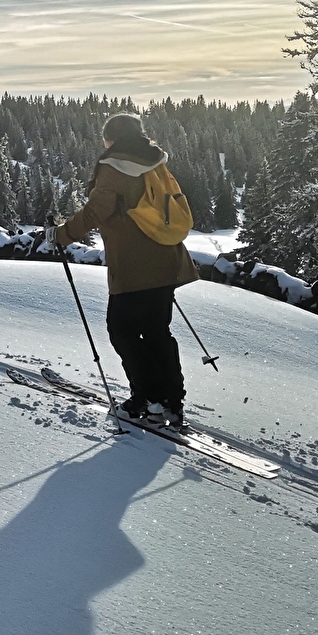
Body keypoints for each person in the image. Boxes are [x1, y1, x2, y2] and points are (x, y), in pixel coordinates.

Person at [47, 113, 198, 427]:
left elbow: (94, 212)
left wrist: (60, 235)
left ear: (112, 139)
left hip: (134, 266)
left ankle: (146, 399)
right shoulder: (154, 162)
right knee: (158, 333)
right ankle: (172, 402)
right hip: (167, 262)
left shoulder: (115, 166)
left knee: (122, 331)